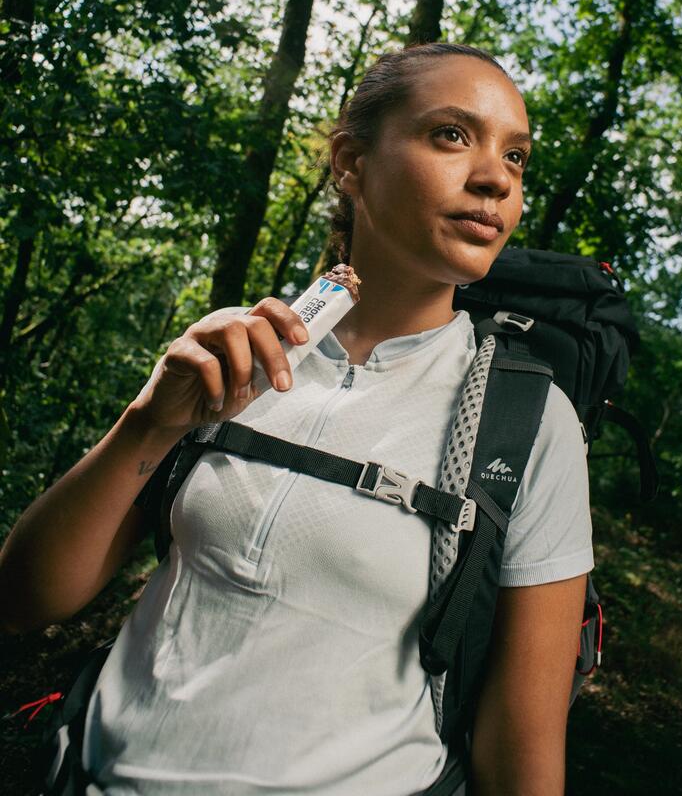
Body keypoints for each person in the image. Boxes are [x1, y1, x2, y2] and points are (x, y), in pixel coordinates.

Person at [0, 43, 593, 795]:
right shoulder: (236, 346)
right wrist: (148, 423)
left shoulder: (531, 422)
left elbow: (521, 758)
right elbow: (24, 599)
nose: (496, 179)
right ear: (350, 163)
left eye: (516, 158)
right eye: (452, 134)